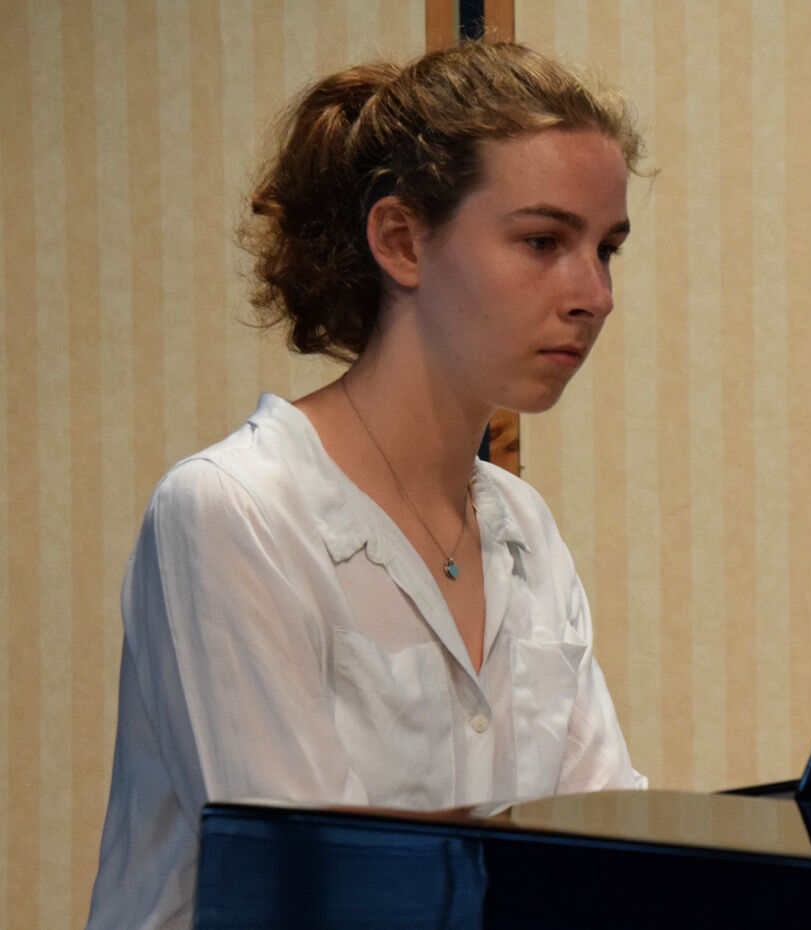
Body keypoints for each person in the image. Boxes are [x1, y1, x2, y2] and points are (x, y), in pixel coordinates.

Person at [87, 41, 645, 929]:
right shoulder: (236, 511)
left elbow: (605, 850)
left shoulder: (521, 526)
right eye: (543, 241)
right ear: (401, 240)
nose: (595, 294)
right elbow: (312, 895)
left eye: (605, 248)